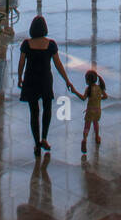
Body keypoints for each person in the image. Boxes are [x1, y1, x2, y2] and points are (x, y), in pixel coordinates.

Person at [17, 15, 77, 157]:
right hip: (45, 80)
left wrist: (20, 77)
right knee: (47, 109)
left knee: (34, 113)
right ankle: (44, 138)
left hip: (30, 80)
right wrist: (67, 80)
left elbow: (21, 63)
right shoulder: (50, 44)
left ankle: (36, 143)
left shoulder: (26, 44)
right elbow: (58, 64)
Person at [77, 69, 108, 153]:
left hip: (90, 111)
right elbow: (105, 96)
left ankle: (84, 139)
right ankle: (97, 137)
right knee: (95, 123)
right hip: (97, 111)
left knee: (87, 126)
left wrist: (75, 92)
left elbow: (83, 98)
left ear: (87, 80)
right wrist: (98, 99)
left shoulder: (88, 89)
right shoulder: (99, 88)